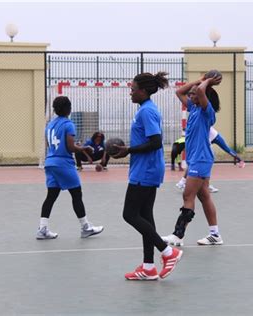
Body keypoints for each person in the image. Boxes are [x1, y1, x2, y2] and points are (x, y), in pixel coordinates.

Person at [113, 72, 182, 280]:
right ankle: (148, 267)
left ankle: (168, 252)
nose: (130, 93)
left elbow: (156, 142)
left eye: (133, 89)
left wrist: (128, 150)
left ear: (143, 91)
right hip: (145, 168)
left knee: (130, 214)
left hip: (146, 170)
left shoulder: (147, 112)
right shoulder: (144, 109)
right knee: (145, 216)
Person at [162, 74, 224, 247]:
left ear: (204, 97)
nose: (190, 95)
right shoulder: (194, 108)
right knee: (204, 195)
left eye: (194, 94)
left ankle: (178, 235)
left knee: (188, 195)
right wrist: (201, 78)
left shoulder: (207, 111)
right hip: (198, 159)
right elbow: (179, 92)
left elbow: (202, 91)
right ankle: (215, 234)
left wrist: (208, 82)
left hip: (201, 159)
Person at [37, 96, 104, 240]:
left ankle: (42, 228)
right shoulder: (68, 124)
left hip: (50, 163)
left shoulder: (49, 125)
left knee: (51, 196)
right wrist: (85, 147)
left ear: (55, 109)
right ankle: (86, 227)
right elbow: (70, 147)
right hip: (63, 164)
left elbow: (49, 146)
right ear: (68, 108)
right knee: (76, 194)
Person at [175, 127, 245, 193]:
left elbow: (227, 149)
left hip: (209, 139)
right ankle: (184, 182)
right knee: (196, 161)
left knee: (206, 160)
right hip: (203, 141)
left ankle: (195, 183)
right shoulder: (196, 126)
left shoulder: (211, 131)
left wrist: (239, 159)